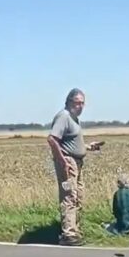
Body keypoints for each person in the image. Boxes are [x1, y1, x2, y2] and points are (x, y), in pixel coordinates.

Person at [47, 88, 104, 246]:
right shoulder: (64, 117)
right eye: (77, 103)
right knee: (69, 196)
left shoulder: (73, 119)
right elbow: (52, 139)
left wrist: (88, 147)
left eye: (82, 103)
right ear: (69, 102)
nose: (80, 106)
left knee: (78, 196)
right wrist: (62, 161)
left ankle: (75, 230)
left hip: (76, 161)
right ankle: (68, 234)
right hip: (68, 163)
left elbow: (70, 143)